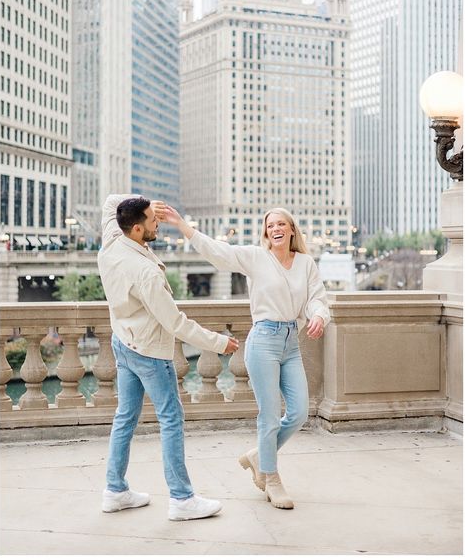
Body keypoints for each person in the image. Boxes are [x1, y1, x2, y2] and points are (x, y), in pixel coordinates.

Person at [163, 205, 330, 510]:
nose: (276, 229)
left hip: (291, 342)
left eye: (281, 224)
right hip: (263, 341)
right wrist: (182, 226)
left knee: (300, 412)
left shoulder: (305, 263)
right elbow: (217, 252)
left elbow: (318, 297)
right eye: (270, 226)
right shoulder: (256, 257)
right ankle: (271, 477)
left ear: (291, 229)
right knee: (268, 415)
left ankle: (257, 455)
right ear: (266, 232)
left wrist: (319, 315)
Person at [97, 194, 239, 520]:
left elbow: (110, 202)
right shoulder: (144, 273)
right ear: (136, 229)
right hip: (149, 353)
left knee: (124, 419)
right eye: (152, 218)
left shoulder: (111, 242)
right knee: (171, 420)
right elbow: (175, 323)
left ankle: (115, 490)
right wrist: (220, 343)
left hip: (124, 344)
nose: (157, 221)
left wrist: (150, 202)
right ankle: (182, 498)